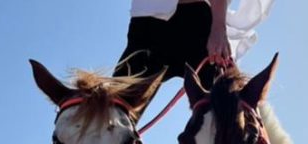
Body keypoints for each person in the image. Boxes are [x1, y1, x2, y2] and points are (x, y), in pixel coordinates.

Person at [115, 0, 274, 86]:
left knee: (227, 109)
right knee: (108, 112)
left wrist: (218, 28)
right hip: (147, 25)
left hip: (194, 23)